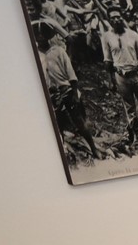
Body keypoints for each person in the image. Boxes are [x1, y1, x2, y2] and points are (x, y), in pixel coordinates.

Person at [35, 23, 99, 162]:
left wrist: (75, 93)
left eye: (43, 34)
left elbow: (71, 74)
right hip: (50, 95)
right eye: (37, 34)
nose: (40, 37)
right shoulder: (36, 55)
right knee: (57, 124)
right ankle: (62, 154)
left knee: (79, 121)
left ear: (48, 36)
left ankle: (94, 148)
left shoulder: (58, 51)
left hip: (66, 90)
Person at [97, 6, 138, 144]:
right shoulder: (107, 37)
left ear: (122, 18)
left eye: (118, 17)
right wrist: (111, 80)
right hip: (121, 76)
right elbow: (108, 60)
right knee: (129, 109)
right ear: (109, 20)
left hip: (136, 74)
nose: (116, 20)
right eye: (113, 18)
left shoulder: (133, 34)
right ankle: (137, 135)